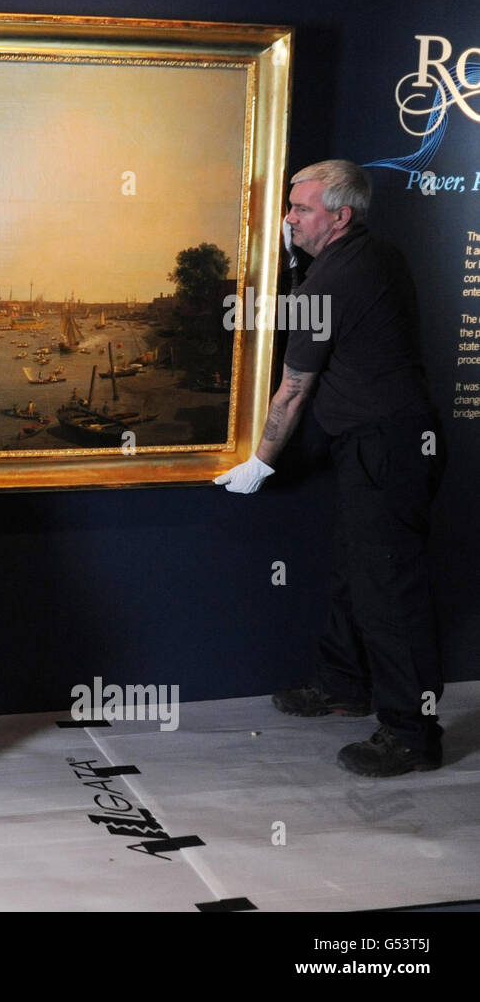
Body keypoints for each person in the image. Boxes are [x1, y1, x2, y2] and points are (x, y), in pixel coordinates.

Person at [216, 160, 443, 777]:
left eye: (301, 209)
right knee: (355, 569)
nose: (288, 219)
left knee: (388, 590)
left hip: (386, 447)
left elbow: (293, 391)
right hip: (383, 441)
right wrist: (298, 264)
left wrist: (258, 463)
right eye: (290, 208)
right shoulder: (372, 255)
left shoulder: (331, 281)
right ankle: (343, 685)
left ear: (339, 216)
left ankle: (410, 734)